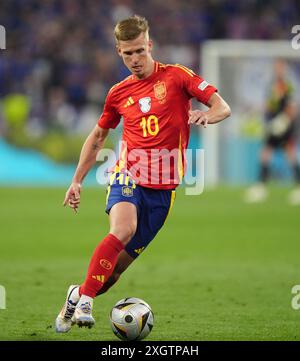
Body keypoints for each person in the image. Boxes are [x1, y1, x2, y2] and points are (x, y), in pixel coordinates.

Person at [55, 15, 231, 333]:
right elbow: (97, 138)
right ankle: (86, 303)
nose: (135, 60)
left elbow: (222, 106)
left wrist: (208, 115)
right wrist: (77, 180)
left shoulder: (178, 77)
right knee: (123, 228)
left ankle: (78, 294)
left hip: (162, 192)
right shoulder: (118, 93)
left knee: (113, 275)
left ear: (149, 45)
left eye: (139, 51)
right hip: (128, 174)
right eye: (127, 54)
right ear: (119, 53)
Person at [244, 59, 300, 204]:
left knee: (290, 154)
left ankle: (298, 187)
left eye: (280, 68)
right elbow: (268, 105)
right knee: (265, 153)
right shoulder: (271, 85)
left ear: (284, 69)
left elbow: (292, 106)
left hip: (285, 125)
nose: (278, 70)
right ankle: (260, 186)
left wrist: (284, 121)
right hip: (272, 125)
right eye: (276, 67)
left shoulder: (288, 86)